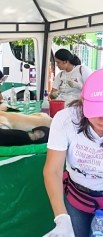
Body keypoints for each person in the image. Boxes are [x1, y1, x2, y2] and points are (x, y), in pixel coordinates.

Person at [43, 69, 103, 237]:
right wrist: (61, 218)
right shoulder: (66, 120)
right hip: (78, 197)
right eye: (97, 110)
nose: (102, 119)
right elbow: (53, 170)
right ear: (83, 101)